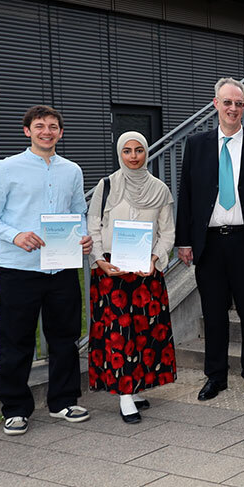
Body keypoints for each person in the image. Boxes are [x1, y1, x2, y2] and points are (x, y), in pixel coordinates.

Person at [0, 105, 93, 436]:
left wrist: (82, 237)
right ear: (27, 131)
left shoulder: (71, 170)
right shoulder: (7, 168)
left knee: (64, 338)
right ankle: (15, 408)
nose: (47, 131)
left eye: (53, 126)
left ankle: (63, 401)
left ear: (60, 132)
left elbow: (77, 211)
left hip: (62, 269)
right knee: (15, 339)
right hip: (20, 269)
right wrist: (16, 235)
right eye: (40, 126)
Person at [176, 78, 244, 400]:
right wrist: (184, 240)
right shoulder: (196, 145)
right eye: (227, 102)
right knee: (214, 313)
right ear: (215, 104)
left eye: (239, 104)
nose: (233, 109)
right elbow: (187, 195)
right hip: (210, 242)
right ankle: (215, 376)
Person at [87, 131, 176, 423]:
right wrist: (99, 260)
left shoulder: (159, 189)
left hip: (145, 271)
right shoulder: (107, 185)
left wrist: (154, 258)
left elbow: (167, 232)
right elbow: (94, 226)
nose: (134, 156)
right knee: (119, 334)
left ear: (146, 152)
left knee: (145, 332)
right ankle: (125, 395)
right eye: (127, 151)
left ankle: (137, 386)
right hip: (113, 271)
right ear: (119, 153)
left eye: (139, 150)